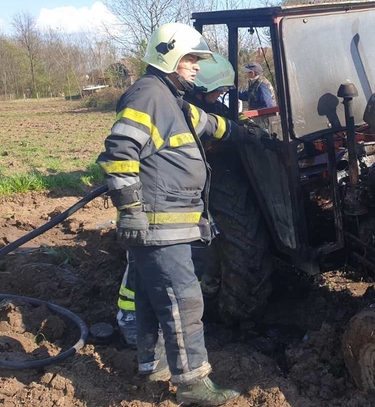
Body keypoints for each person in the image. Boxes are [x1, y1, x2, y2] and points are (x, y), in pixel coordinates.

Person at [97, 22, 264, 406]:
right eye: (190, 58)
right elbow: (120, 152)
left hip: (170, 219)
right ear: (168, 55)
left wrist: (249, 135)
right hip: (158, 221)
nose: (195, 67)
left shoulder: (171, 98)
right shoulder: (148, 96)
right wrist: (132, 212)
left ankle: (152, 364)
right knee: (183, 299)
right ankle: (192, 385)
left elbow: (209, 124)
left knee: (155, 298)